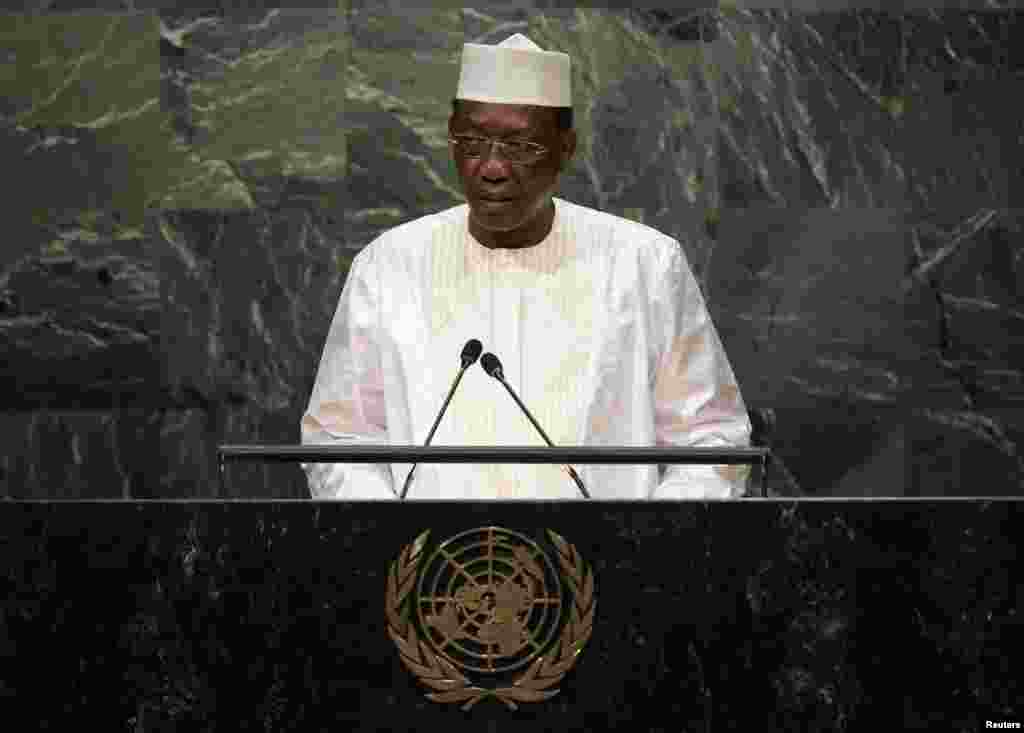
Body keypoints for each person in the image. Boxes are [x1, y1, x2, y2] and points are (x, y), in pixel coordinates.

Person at [301, 33, 752, 499]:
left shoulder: (646, 267)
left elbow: (711, 439)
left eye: (519, 146)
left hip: (605, 567)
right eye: (473, 141)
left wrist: (640, 547)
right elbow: (341, 439)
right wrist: (396, 540)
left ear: (565, 149)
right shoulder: (387, 267)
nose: (492, 167)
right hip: (434, 567)